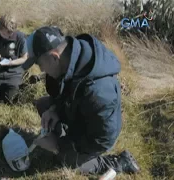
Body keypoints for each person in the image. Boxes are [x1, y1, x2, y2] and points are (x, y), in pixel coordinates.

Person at [26, 26, 140, 175]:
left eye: (39, 64)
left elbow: (102, 138)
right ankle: (66, 139)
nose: (40, 70)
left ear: (54, 57)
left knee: (64, 159)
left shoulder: (99, 93)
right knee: (43, 105)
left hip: (95, 135)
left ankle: (118, 162)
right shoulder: (70, 56)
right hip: (79, 110)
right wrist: (55, 110)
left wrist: (58, 146)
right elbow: (65, 89)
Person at [0, 14, 28, 104]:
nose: (8, 36)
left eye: (11, 33)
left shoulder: (20, 37)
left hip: (13, 74)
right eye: (5, 33)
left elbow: (24, 57)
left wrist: (11, 63)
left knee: (11, 102)